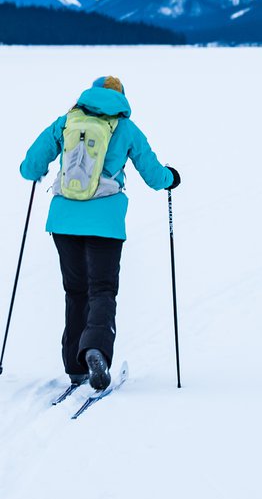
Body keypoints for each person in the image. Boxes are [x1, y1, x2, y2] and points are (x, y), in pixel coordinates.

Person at [20, 74, 178, 391]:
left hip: (64, 221)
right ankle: (96, 350)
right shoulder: (126, 128)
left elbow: (30, 167)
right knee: (102, 290)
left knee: (75, 291)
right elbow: (152, 173)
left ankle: (74, 367)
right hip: (105, 223)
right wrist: (170, 178)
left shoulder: (66, 121)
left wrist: (39, 171)